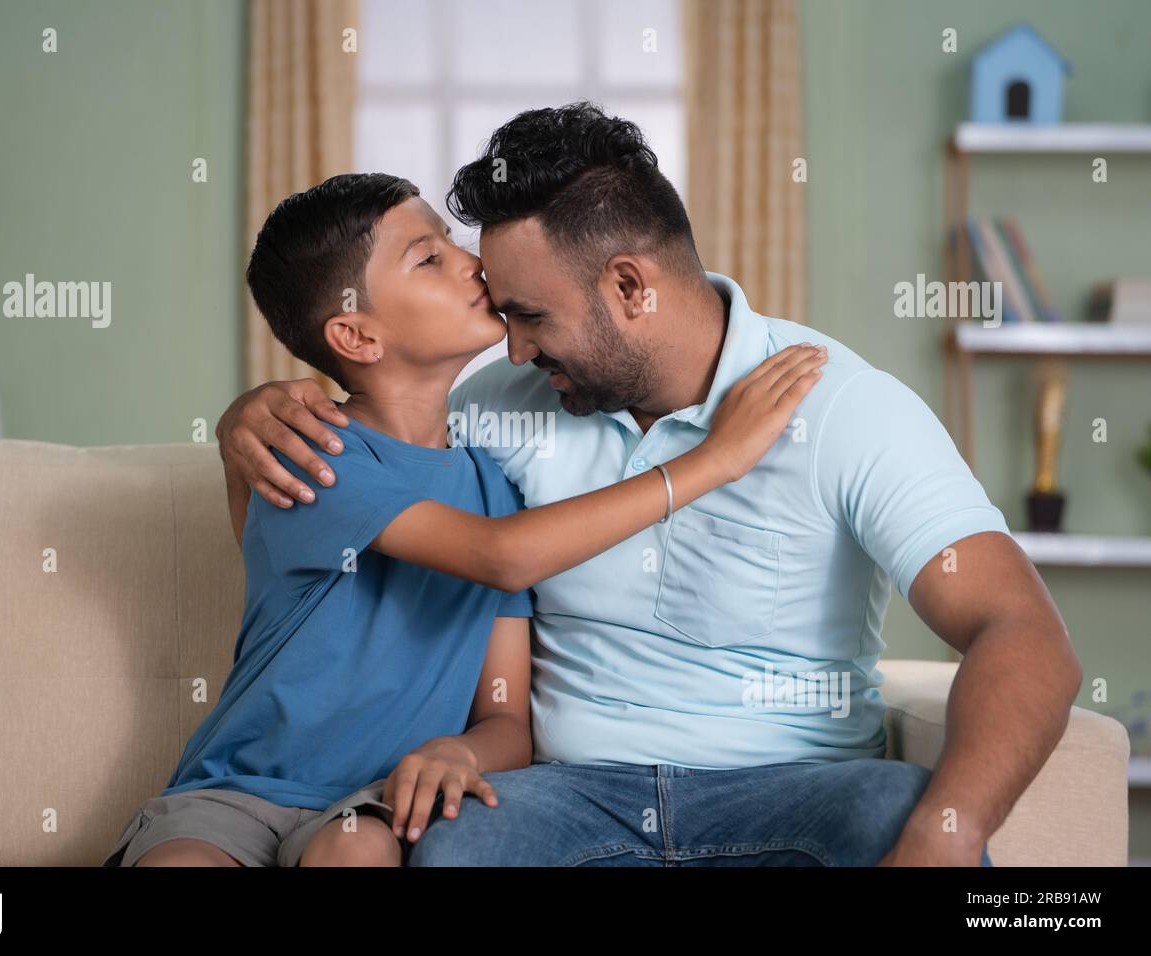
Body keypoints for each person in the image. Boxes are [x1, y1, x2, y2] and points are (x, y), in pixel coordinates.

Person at [217, 103, 1081, 866]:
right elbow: (372, 441)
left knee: (899, 811)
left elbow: (1020, 630)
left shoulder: (847, 408)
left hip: (792, 791)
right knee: (461, 848)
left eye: (532, 317)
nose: (512, 349)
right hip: (566, 803)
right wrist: (247, 421)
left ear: (631, 287)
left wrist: (948, 833)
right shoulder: (494, 409)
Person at [102, 170, 825, 868]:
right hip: (236, 792)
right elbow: (501, 556)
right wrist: (713, 460)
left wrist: (464, 751)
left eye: (451, 241)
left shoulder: (492, 482)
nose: (472, 263)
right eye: (430, 259)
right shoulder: (314, 453)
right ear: (356, 338)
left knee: (355, 848)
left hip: (370, 805)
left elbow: (506, 718)